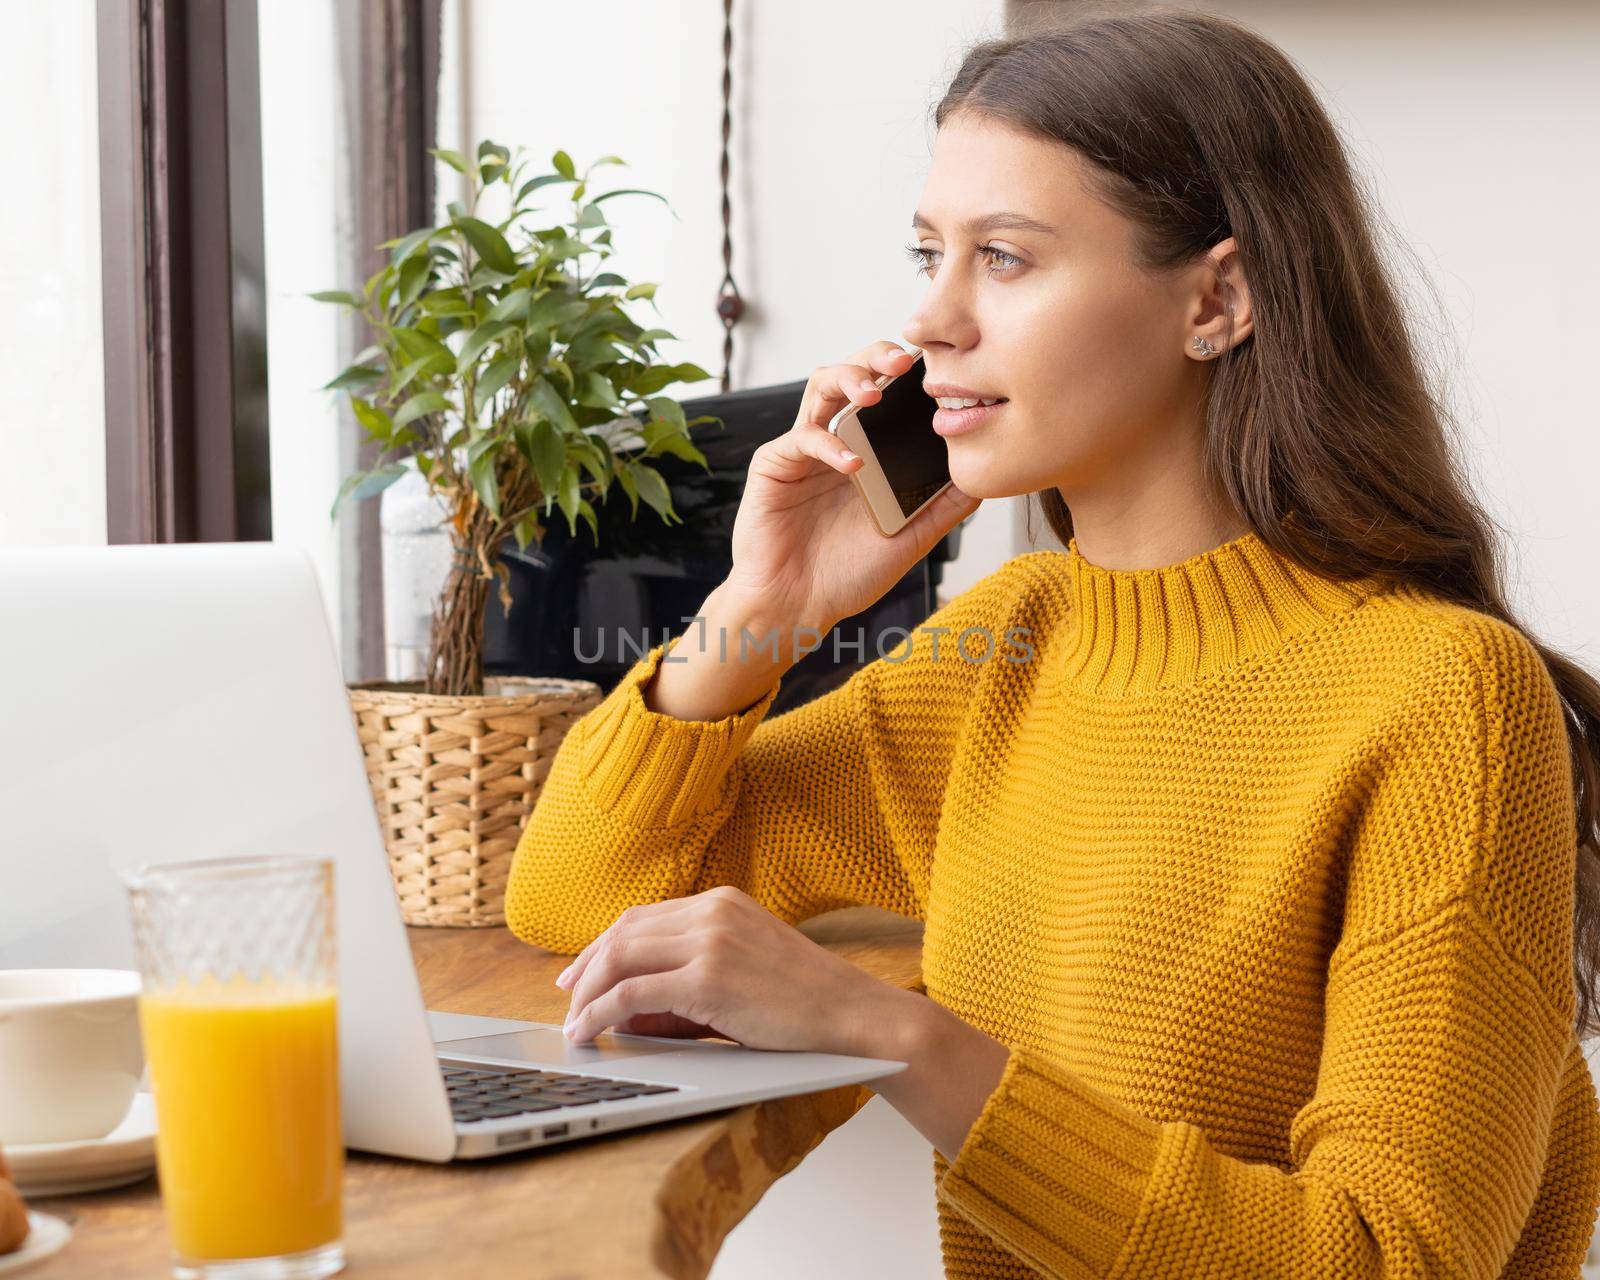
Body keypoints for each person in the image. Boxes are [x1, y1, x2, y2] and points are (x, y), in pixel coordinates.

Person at [505, 8, 1600, 1276]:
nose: (932, 319)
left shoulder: (1441, 695)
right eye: (929, 252)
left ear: (1218, 297)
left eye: (1005, 259)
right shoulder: (1009, 648)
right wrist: (771, 601)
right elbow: (578, 892)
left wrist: (899, 1036)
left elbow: (1383, 1255)